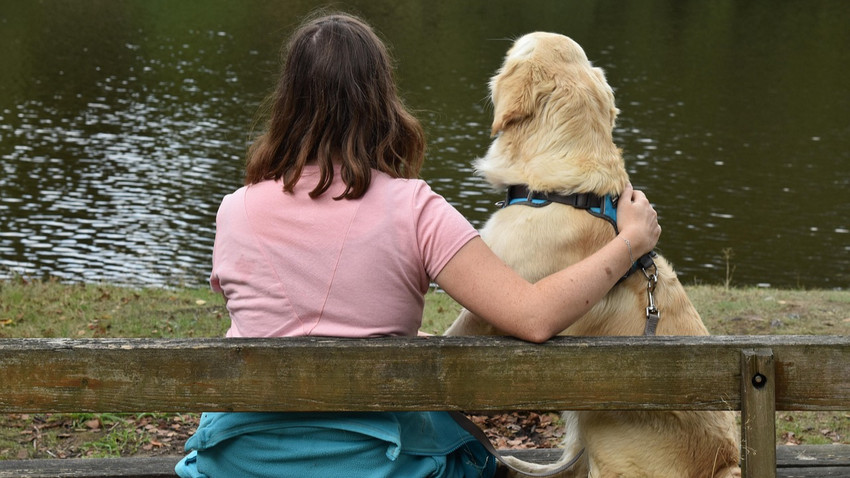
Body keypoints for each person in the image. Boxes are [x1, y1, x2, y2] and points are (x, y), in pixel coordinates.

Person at [175, 11, 661, 478]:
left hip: (239, 462)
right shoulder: (414, 208)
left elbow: (280, 318)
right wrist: (630, 242)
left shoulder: (234, 210)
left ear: (288, 101)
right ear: (379, 99)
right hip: (380, 466)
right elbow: (533, 318)